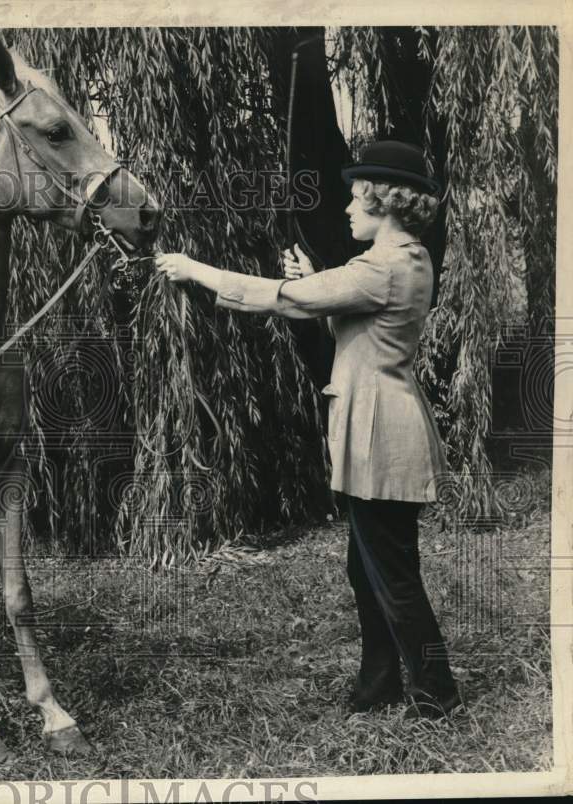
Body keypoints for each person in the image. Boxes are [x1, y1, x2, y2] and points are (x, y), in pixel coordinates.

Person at [155, 140, 461, 719]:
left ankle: (435, 693)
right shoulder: (408, 258)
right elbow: (347, 317)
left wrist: (193, 269)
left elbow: (281, 299)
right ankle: (380, 684)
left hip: (379, 436)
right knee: (368, 565)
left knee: (392, 574)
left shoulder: (381, 266)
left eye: (355, 198)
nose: (347, 208)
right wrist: (318, 285)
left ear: (383, 201)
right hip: (384, 429)